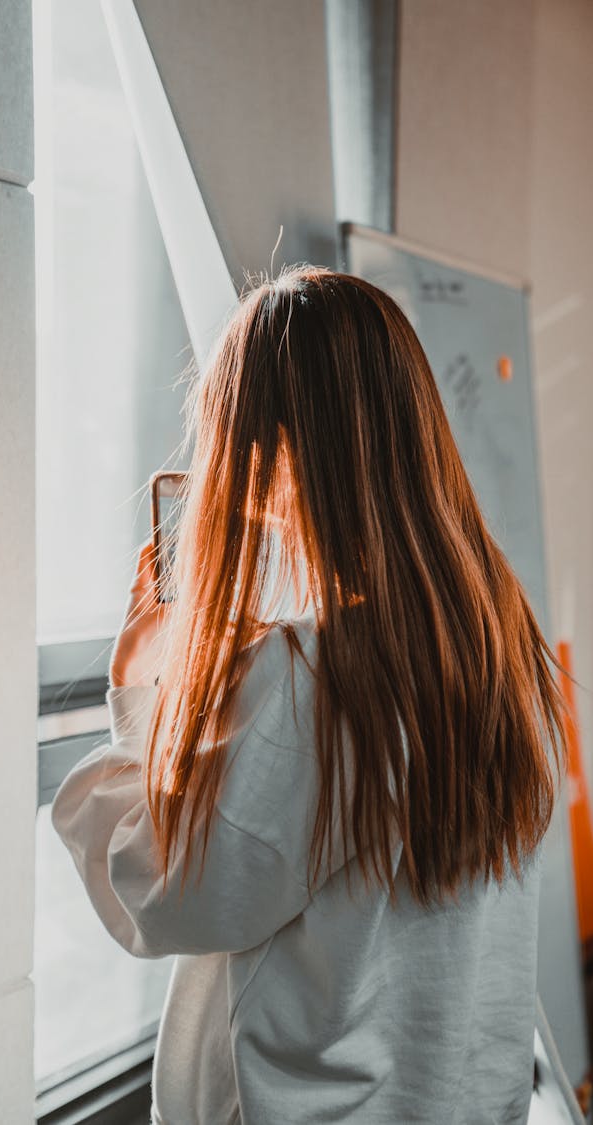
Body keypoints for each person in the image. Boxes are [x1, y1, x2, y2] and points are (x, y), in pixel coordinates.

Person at [51, 266, 568, 1124]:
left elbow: (163, 893)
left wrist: (139, 695)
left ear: (282, 454)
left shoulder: (312, 681)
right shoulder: (502, 645)